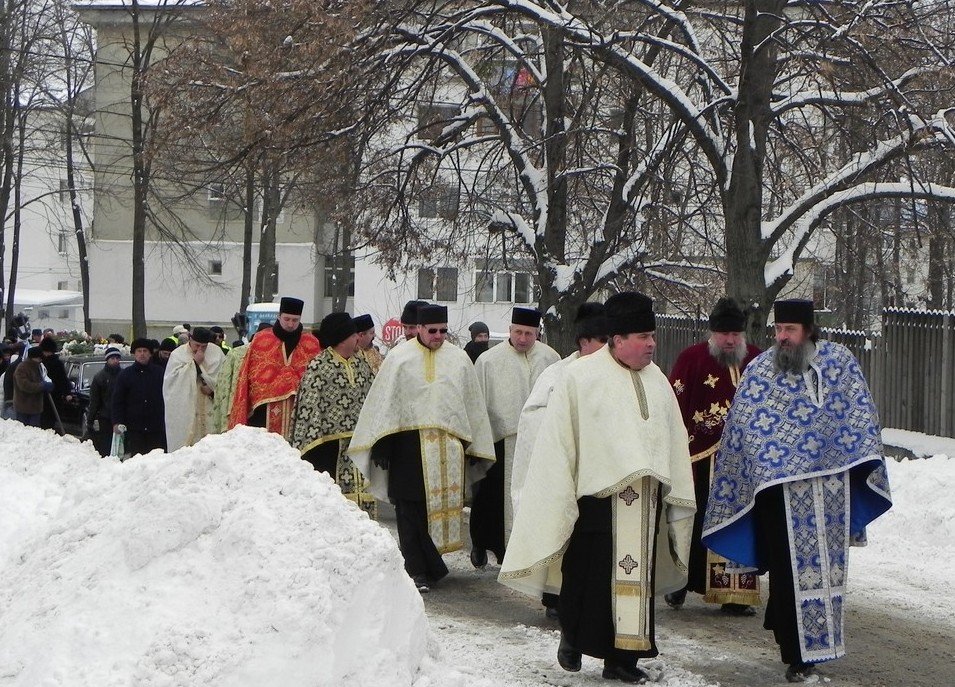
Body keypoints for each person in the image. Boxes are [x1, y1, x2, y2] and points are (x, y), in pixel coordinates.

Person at [500, 292, 695, 684]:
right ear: (617, 339)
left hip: (644, 505)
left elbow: (672, 440)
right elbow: (559, 445)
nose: (652, 343)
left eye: (652, 335)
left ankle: (623, 660)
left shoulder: (657, 380)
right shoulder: (579, 377)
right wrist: (560, 498)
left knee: (635, 586)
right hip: (596, 504)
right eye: (643, 336)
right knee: (586, 581)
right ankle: (572, 636)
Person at [702, 299, 892, 683]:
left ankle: (813, 643)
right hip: (779, 493)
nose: (782, 338)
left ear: (808, 330)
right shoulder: (760, 369)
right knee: (790, 572)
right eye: (777, 330)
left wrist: (837, 454)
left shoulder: (839, 363)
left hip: (829, 491)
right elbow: (743, 428)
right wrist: (770, 464)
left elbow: (860, 416)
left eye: (789, 330)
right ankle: (797, 655)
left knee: (826, 573)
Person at [349, 304, 496, 593]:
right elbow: (385, 403)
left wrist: (472, 445)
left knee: (435, 510)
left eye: (443, 330)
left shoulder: (459, 359)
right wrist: (382, 443)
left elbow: (471, 406)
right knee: (408, 507)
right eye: (432, 331)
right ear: (418, 328)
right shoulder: (399, 358)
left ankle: (430, 564)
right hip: (407, 445)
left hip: (447, 448)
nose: (438, 336)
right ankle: (417, 568)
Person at [509, 302, 608, 619]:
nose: (608, 348)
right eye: (602, 341)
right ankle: (555, 597)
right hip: (562, 471)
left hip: (598, 475)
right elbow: (533, 421)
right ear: (584, 342)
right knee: (561, 531)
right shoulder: (557, 375)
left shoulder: (615, 375)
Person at [664, 297, 763, 616]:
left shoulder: (758, 361)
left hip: (743, 465)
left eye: (736, 334)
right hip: (699, 459)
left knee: (739, 524)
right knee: (691, 521)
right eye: (725, 334)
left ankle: (734, 594)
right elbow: (674, 406)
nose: (731, 340)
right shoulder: (692, 359)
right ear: (713, 333)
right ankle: (677, 584)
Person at [470, 306, 560, 568]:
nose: (522, 338)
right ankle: (481, 544)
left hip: (537, 441)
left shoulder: (551, 359)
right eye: (518, 332)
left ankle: (517, 549)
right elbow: (477, 404)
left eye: (528, 334)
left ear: (537, 334)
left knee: (529, 497)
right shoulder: (488, 360)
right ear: (510, 330)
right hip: (498, 440)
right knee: (491, 499)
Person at [291, 312, 376, 517]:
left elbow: (373, 399)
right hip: (327, 449)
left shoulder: (361, 364)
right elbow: (308, 413)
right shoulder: (318, 367)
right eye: (353, 334)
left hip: (359, 447)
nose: (358, 338)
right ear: (342, 338)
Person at [228, 297, 321, 440]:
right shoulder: (261, 339)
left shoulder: (311, 343)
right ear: (279, 316)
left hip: (299, 411)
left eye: (295, 320)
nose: (290, 324)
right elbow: (248, 374)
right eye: (287, 319)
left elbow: (315, 378)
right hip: (263, 411)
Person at [163, 326, 223, 451]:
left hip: (211, 406)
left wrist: (213, 391)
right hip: (188, 407)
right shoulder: (178, 355)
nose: (200, 349)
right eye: (197, 345)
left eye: (204, 346)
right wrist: (195, 363)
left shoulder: (217, 353)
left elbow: (225, 381)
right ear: (190, 339)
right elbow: (172, 384)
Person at [111, 339, 166, 456]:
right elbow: (118, 400)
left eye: (145, 351)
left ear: (150, 354)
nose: (142, 354)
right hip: (135, 427)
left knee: (156, 459)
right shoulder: (125, 375)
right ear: (134, 354)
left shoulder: (160, 373)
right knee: (137, 458)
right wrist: (117, 422)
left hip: (156, 426)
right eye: (139, 351)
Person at [87, 346, 125, 456]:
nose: (115, 361)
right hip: (106, 418)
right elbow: (94, 400)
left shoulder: (124, 375)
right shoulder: (100, 377)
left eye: (117, 358)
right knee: (106, 446)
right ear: (107, 360)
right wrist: (91, 419)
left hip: (122, 417)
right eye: (112, 358)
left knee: (121, 447)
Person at [37, 337, 71, 434]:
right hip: (53, 396)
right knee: (50, 422)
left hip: (47, 397)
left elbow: (62, 379)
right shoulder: (56, 363)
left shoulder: (43, 363)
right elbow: (64, 380)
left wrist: (66, 392)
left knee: (46, 422)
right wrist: (67, 392)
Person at [13, 347, 53, 427]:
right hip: (24, 407)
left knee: (35, 431)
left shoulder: (39, 367)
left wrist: (48, 384)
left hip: (36, 408)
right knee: (23, 432)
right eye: (39, 358)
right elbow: (24, 385)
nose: (41, 360)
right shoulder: (22, 368)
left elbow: (44, 377)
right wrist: (41, 386)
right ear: (34, 357)